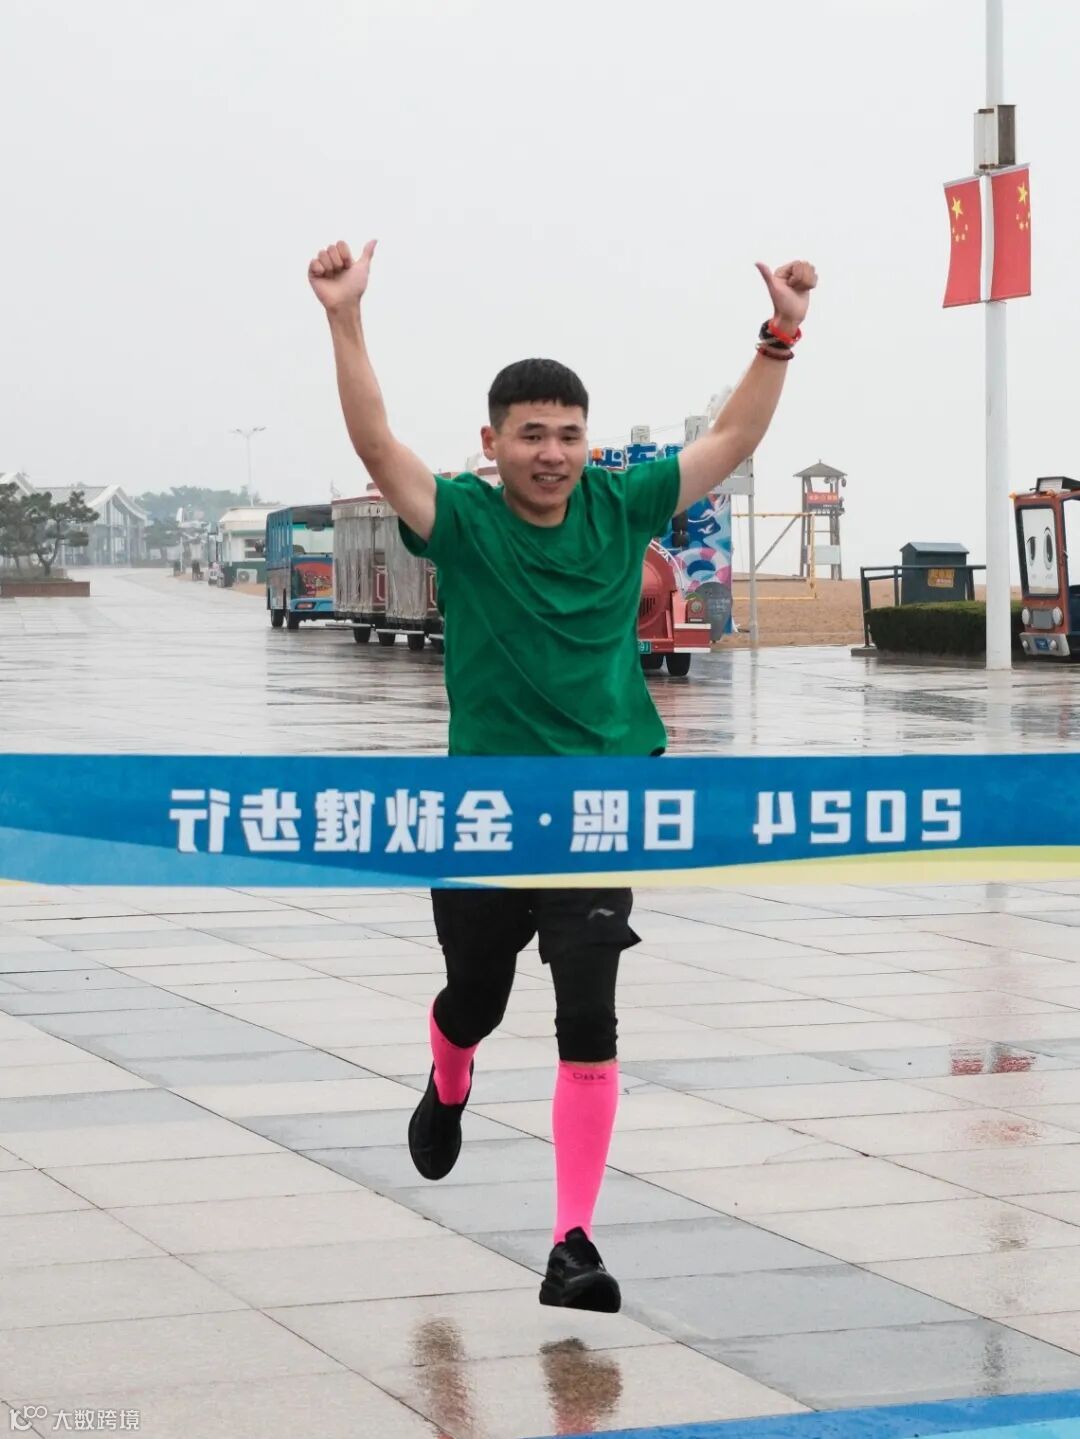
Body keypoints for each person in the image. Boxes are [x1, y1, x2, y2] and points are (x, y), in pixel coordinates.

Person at [309, 237, 816, 1312]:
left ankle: (571, 1242)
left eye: (569, 435)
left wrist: (780, 334)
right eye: (531, 435)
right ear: (492, 442)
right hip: (485, 815)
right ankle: (450, 1072)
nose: (552, 454)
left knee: (589, 1013)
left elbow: (732, 438)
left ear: (590, 440)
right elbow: (376, 441)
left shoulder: (621, 505)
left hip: (598, 807)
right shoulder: (463, 518)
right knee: (477, 999)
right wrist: (345, 316)